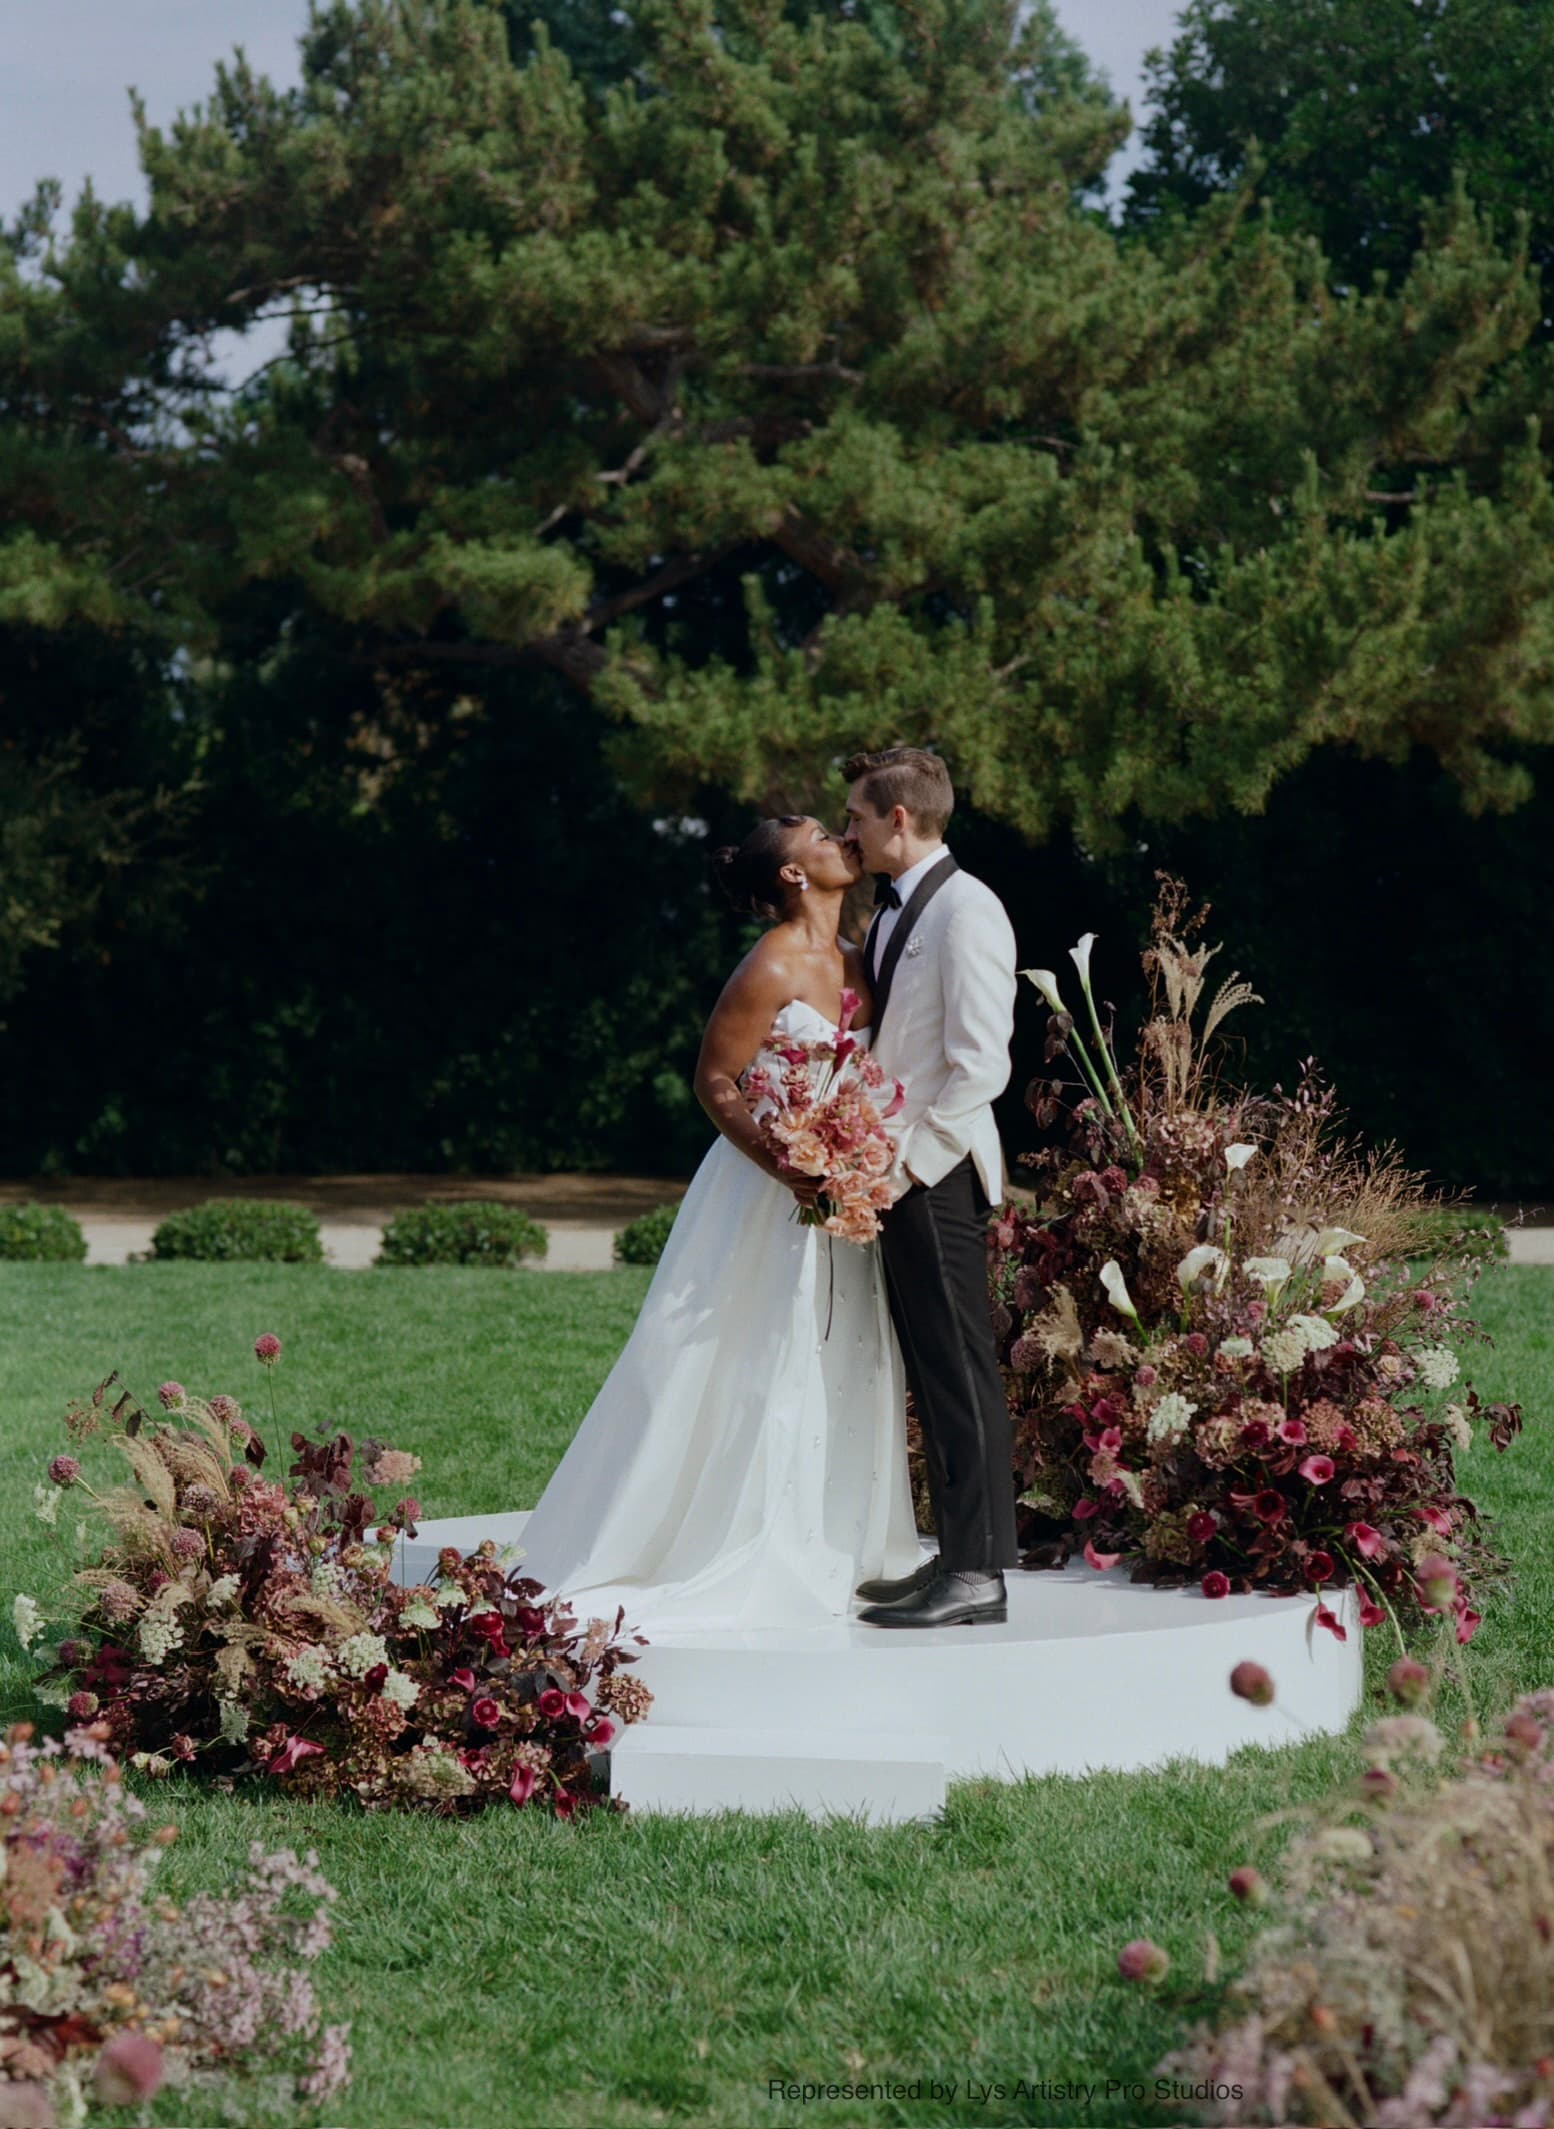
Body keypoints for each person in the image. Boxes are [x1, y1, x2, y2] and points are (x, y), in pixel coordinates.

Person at [513, 814, 924, 1634]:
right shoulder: (769, 962)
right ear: (793, 876)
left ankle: (839, 1535)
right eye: (818, 834)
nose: (841, 836)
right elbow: (714, 1079)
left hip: (846, 1199)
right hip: (761, 1197)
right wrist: (787, 1159)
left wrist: (854, 1149)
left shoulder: (859, 957)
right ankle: (720, 1528)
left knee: (844, 1353)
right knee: (742, 1351)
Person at [840, 746, 1022, 1629]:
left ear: (899, 819)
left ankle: (979, 1576)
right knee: (929, 1370)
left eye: (859, 817)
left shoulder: (969, 909)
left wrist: (909, 1168)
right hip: (894, 1176)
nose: (851, 831)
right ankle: (952, 1559)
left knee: (959, 1370)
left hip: (935, 1176)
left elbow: (980, 1066)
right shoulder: (889, 916)